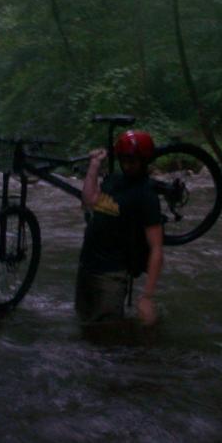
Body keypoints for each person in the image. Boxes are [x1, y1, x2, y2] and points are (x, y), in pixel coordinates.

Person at [76, 130, 164, 325]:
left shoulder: (146, 194)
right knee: (85, 327)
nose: (127, 165)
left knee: (108, 339)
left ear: (144, 161)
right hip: (87, 266)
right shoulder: (113, 180)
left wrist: (147, 296)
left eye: (132, 161)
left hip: (111, 275)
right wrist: (94, 165)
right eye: (124, 160)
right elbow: (89, 200)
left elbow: (157, 248)